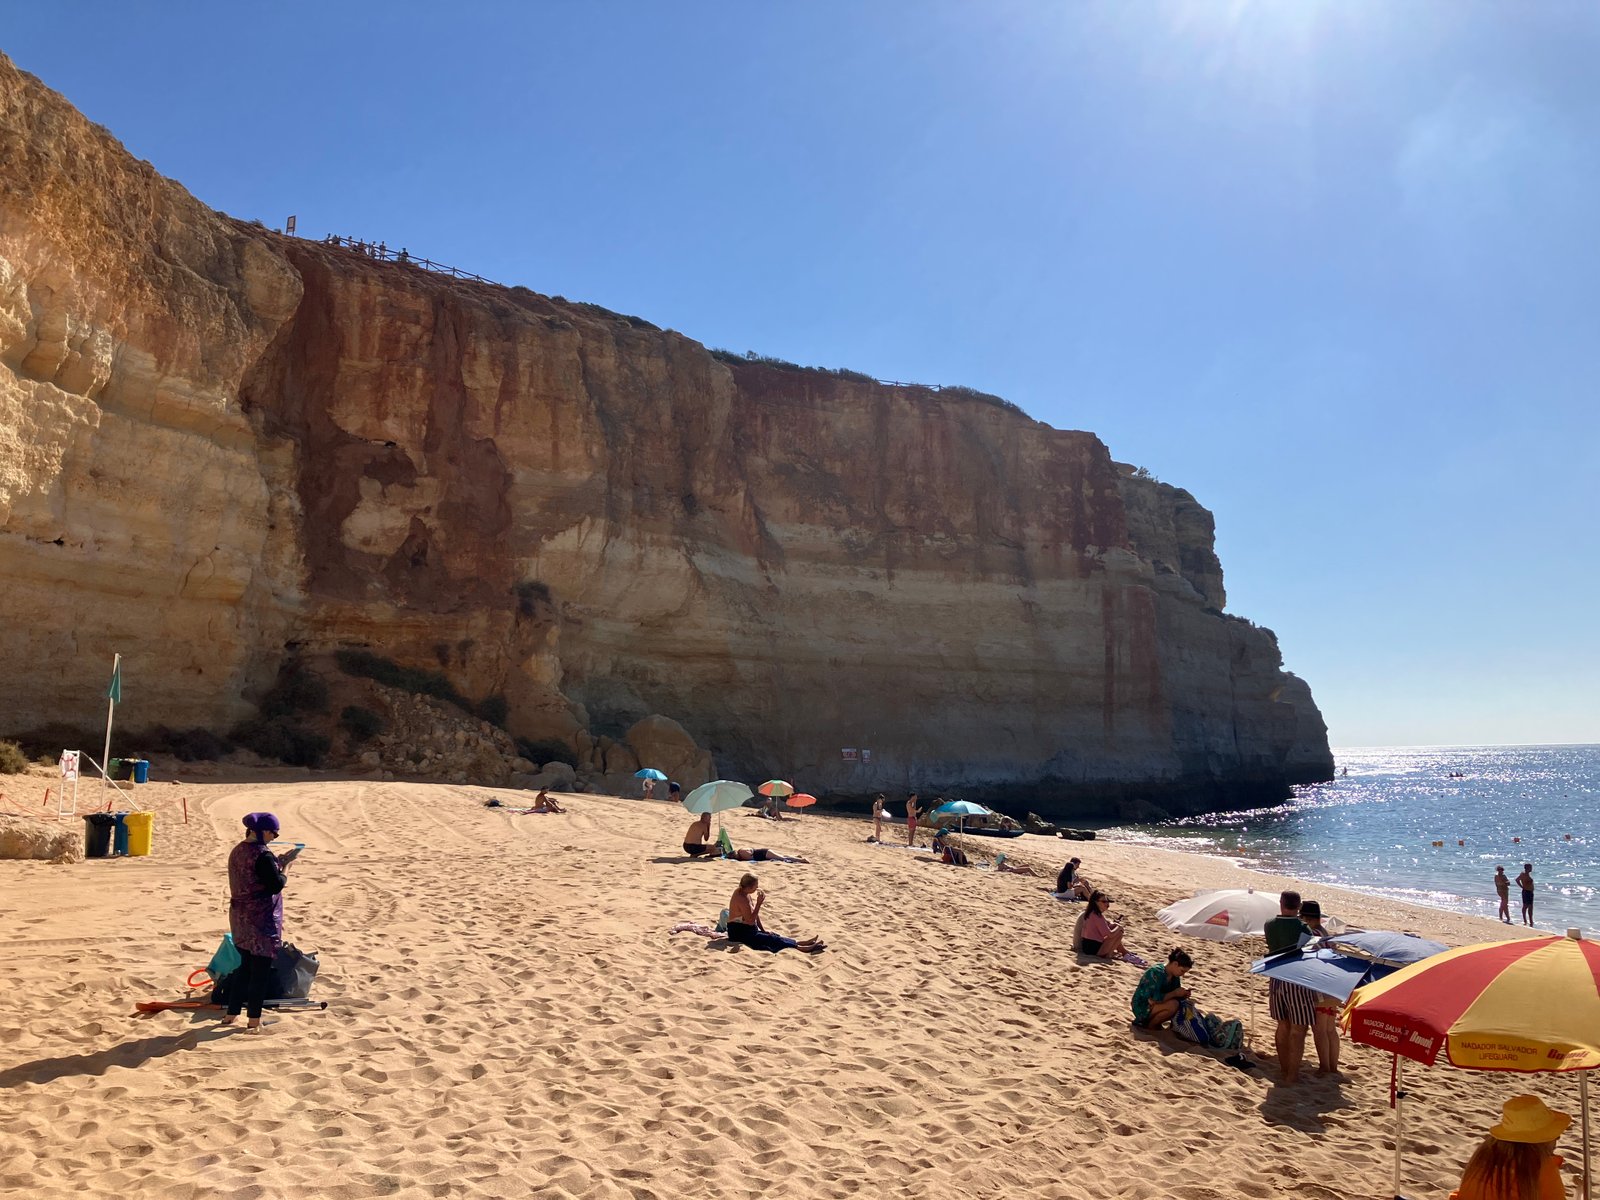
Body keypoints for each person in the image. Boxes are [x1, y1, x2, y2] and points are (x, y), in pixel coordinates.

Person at [223, 812, 302, 1032]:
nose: (275, 836)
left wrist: (279, 860)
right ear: (261, 831)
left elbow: (257, 873)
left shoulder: (238, 849)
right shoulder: (263, 855)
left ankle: (231, 1013)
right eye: (273, 832)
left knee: (245, 967)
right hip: (261, 920)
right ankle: (254, 1021)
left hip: (240, 917)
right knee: (260, 971)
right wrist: (287, 867)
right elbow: (276, 884)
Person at [1449, 1094, 1571, 1200]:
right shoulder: (1541, 1167)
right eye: (1553, 1134)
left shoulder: (1483, 1154)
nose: (1558, 1138)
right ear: (1541, 1140)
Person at [1264, 891, 1314, 1084]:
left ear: (1281, 903)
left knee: (1282, 1024)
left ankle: (1284, 1069)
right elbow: (1308, 950)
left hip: (1276, 975)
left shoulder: (1269, 925)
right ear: (1299, 906)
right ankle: (1292, 1074)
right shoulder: (1303, 928)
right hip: (1297, 978)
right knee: (1298, 1028)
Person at [726, 874, 825, 953]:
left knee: (774, 935)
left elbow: (753, 915)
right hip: (738, 932)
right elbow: (750, 921)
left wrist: (763, 930)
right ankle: (801, 948)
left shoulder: (745, 893)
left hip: (748, 929)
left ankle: (800, 943)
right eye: (756, 886)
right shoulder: (741, 899)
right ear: (749, 887)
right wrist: (759, 904)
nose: (757, 888)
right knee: (771, 940)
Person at [1298, 901, 1341, 1076]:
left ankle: (1324, 1066)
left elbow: (1304, 955)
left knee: (1320, 1029)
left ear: (1306, 919)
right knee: (1331, 1029)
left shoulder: (1311, 935)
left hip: (1319, 986)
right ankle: (1333, 1066)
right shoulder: (1326, 935)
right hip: (1333, 984)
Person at [1131, 947, 1194, 1029]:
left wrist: (1183, 994)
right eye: (1182, 971)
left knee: (1184, 1005)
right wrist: (1175, 993)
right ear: (1175, 964)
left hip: (1156, 1005)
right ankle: (1150, 1026)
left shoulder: (1174, 976)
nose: (1183, 974)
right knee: (1173, 1005)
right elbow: (1155, 998)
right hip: (1142, 1007)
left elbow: (1171, 995)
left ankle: (1156, 1024)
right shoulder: (1156, 973)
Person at [1079, 891, 1128, 960]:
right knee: (1119, 933)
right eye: (1104, 901)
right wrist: (1119, 927)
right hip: (1094, 950)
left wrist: (1115, 925)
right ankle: (1109, 955)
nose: (1107, 903)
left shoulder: (1092, 913)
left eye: (1107, 901)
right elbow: (1109, 934)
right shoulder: (1097, 916)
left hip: (1088, 947)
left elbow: (1104, 927)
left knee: (1115, 928)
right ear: (1096, 902)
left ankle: (1123, 952)